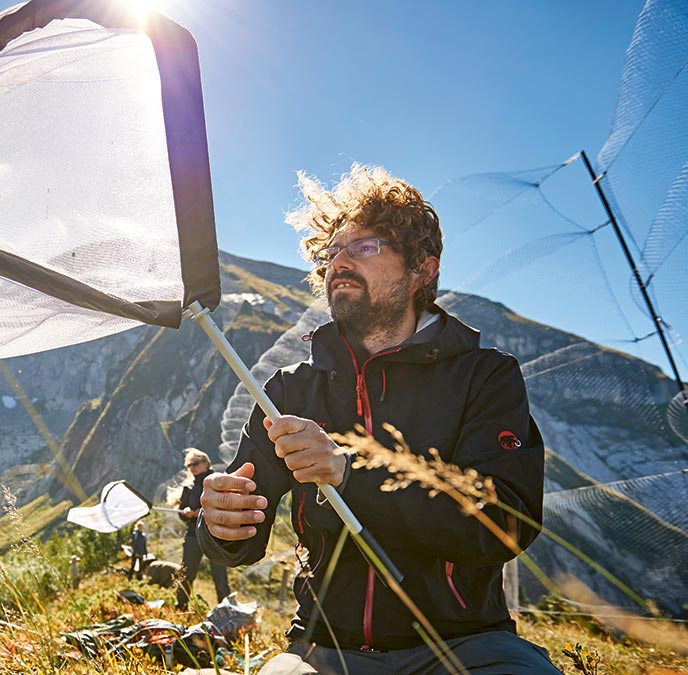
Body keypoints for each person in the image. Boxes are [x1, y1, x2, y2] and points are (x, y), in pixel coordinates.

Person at [197, 164, 559, 674]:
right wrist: (224, 524)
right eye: (331, 252)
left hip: (468, 647)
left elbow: (505, 524)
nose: (339, 260)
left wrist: (351, 474)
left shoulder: (485, 377)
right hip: (323, 649)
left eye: (364, 246)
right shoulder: (289, 390)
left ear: (423, 270)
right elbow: (242, 539)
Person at [177, 448, 232, 610]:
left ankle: (226, 610)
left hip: (216, 535)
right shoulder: (188, 487)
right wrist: (185, 513)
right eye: (189, 465)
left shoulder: (218, 482)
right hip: (193, 535)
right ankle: (180, 607)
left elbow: (225, 505)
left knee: (219, 576)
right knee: (187, 572)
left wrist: (200, 512)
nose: (192, 467)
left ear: (206, 463)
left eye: (195, 463)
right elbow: (181, 512)